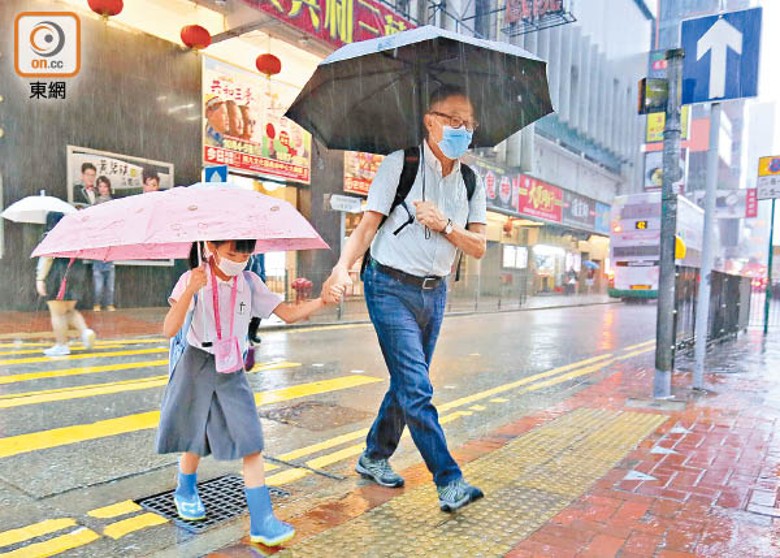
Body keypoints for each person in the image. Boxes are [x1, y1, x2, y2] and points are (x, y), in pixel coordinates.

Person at [323, 85, 488, 513]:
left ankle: (374, 456)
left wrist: (446, 223)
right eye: (453, 119)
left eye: (468, 123)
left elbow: (478, 246)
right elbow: (367, 225)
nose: (462, 129)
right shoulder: (401, 164)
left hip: (435, 293)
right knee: (417, 387)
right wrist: (344, 266)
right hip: (389, 286)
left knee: (406, 383)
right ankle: (449, 480)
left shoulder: (471, 181)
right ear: (429, 121)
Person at [158, 240, 335, 546]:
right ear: (210, 247)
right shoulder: (193, 277)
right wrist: (190, 290)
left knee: (250, 439)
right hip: (197, 363)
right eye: (231, 253)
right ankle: (185, 490)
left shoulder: (250, 283)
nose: (240, 259)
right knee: (194, 435)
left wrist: (322, 301)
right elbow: (169, 329)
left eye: (245, 253)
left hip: (232, 368)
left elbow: (289, 314)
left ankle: (263, 521)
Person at [36, 212, 96, 356]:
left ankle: (62, 345)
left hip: (58, 275)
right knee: (68, 310)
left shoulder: (51, 236)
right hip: (76, 274)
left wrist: (40, 279)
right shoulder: (76, 237)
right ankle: (85, 332)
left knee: (57, 313)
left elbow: (47, 259)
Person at [92, 176, 116, 311]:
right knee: (98, 282)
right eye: (100, 186)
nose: (103, 189)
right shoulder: (95, 203)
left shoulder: (113, 203)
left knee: (110, 282)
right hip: (98, 243)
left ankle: (109, 303)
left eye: (105, 186)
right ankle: (97, 304)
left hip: (110, 243)